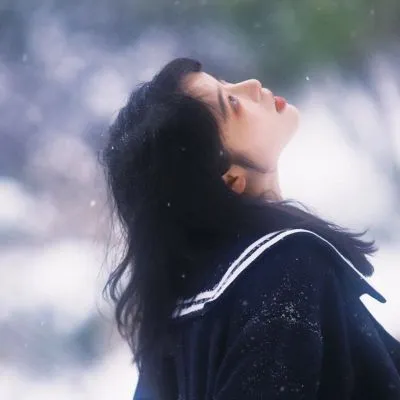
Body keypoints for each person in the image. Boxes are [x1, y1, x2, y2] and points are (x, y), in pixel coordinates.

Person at [101, 57, 400, 399]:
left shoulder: (178, 321)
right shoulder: (284, 269)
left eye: (225, 82)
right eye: (231, 103)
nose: (252, 86)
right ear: (229, 179)